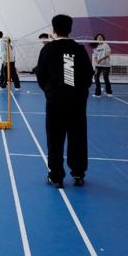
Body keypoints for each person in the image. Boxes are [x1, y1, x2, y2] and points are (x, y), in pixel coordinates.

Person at [36, 15, 94, 189]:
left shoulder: (47, 50)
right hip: (76, 101)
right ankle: (78, 173)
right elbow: (88, 75)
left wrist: (50, 92)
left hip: (55, 101)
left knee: (54, 138)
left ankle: (56, 177)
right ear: (70, 29)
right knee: (78, 136)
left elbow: (40, 74)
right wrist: (79, 93)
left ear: (53, 30)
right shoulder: (79, 50)